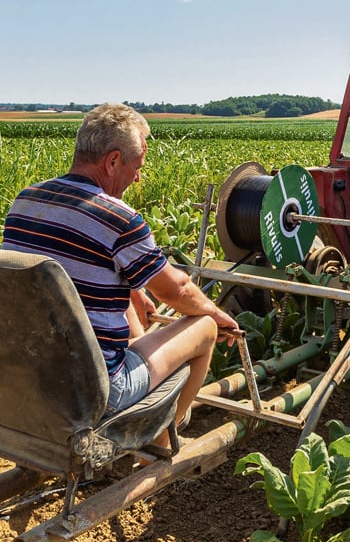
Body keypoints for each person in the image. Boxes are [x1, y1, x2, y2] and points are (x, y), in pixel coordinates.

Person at [1, 103, 238, 448]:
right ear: (112, 161)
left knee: (128, 298)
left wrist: (132, 290)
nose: (138, 177)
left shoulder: (25, 202)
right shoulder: (120, 219)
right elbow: (178, 291)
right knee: (204, 328)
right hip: (94, 394)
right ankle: (158, 440)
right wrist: (216, 313)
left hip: (25, 378)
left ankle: (146, 405)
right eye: (136, 166)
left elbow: (73, 274)